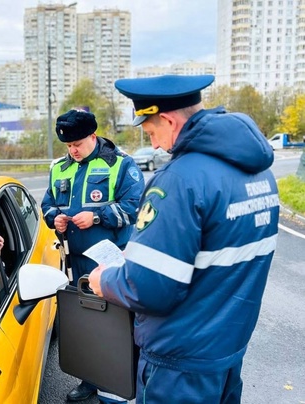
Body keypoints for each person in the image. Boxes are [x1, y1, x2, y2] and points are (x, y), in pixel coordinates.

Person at [88, 74, 279, 403]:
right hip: (227, 353)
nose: (156, 145)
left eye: (152, 133)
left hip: (180, 364)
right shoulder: (260, 173)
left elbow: (149, 288)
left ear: (168, 120)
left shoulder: (179, 180)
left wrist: (104, 281)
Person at [41, 109, 144, 403]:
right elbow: (47, 205)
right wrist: (55, 219)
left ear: (93, 137)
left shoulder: (121, 165)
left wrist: (97, 217)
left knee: (118, 325)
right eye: (68, 146)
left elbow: (134, 207)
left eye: (78, 144)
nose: (73, 151)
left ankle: (123, 381)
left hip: (112, 261)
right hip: (76, 263)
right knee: (86, 323)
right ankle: (91, 379)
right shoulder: (59, 168)